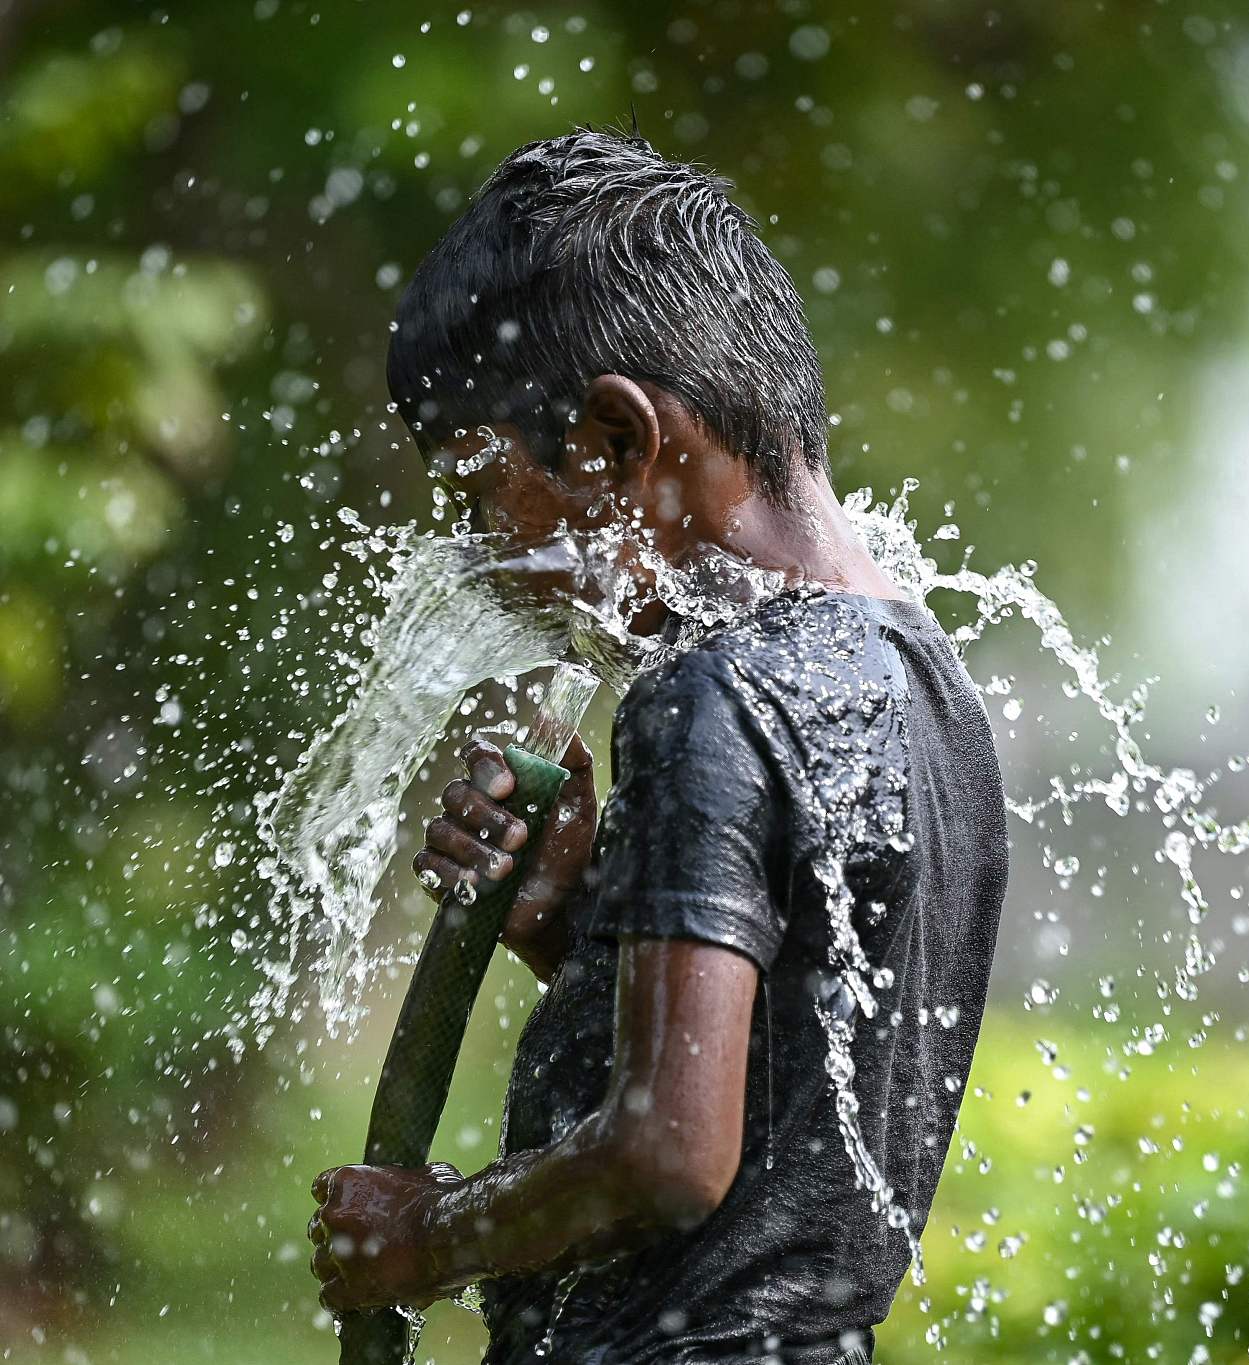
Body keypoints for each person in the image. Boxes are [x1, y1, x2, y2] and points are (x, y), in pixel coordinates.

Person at [304, 127, 1009, 1365]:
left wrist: (428, 1236)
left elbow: (665, 1158)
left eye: (484, 496)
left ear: (620, 444)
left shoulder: (708, 699)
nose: (488, 563)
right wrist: (573, 921)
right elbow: (783, 1093)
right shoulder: (924, 680)